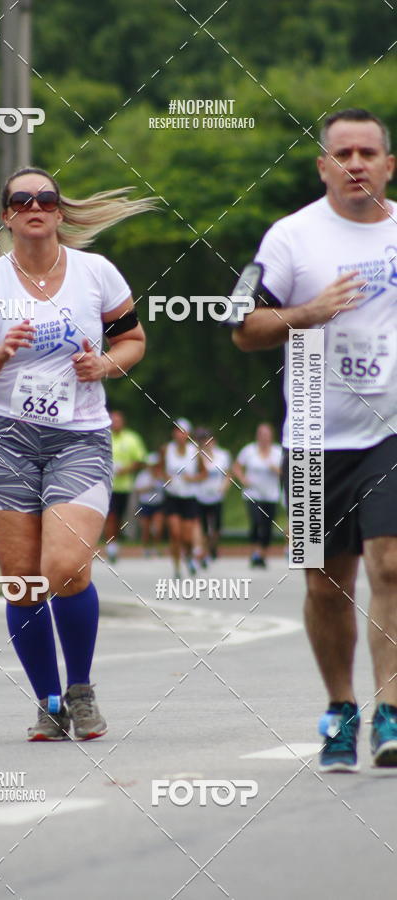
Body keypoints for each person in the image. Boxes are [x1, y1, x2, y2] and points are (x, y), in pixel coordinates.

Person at [0, 166, 150, 741]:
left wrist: (105, 364)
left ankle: (81, 689)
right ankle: (48, 700)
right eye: (22, 199)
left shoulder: (97, 274)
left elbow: (132, 340)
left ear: (60, 212)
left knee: (64, 568)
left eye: (46, 198)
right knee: (22, 583)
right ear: (8, 215)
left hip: (79, 437)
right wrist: (1, 353)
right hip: (6, 439)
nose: (35, 206)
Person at [232, 108, 397, 770]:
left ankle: (389, 711)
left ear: (389, 164)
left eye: (369, 152)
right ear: (323, 166)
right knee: (327, 584)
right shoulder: (289, 238)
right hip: (311, 436)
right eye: (343, 153)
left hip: (391, 431)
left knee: (390, 564)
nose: (356, 163)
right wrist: (307, 313)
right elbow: (241, 324)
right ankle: (340, 708)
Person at [233, 423, 282, 568]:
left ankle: (263, 554)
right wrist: (242, 479)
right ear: (257, 436)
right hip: (252, 493)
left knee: (267, 525)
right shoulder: (249, 451)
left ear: (271, 436)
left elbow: (288, 471)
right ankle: (255, 552)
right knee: (256, 522)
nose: (264, 438)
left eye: (267, 435)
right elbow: (236, 467)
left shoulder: (277, 452)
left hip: (271, 495)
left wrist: (276, 470)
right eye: (262, 435)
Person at [162, 419, 206, 578]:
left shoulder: (194, 451)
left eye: (182, 431)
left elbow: (204, 473)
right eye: (176, 431)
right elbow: (158, 469)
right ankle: (176, 568)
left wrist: (193, 479)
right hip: (172, 497)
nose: (179, 434)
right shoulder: (166, 449)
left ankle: (188, 557)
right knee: (175, 533)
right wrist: (165, 477)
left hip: (189, 498)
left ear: (187, 434)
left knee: (187, 537)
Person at [104, 409, 146, 563]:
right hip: (106, 485)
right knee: (111, 515)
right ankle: (111, 545)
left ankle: (116, 540)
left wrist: (126, 469)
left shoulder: (132, 438)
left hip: (125, 486)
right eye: (112, 421)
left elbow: (140, 460)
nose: (115, 424)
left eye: (118, 421)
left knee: (120, 517)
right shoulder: (103, 436)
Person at [192, 427, 232, 562]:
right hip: (200, 496)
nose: (205, 443)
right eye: (202, 440)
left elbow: (228, 475)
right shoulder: (195, 457)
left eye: (207, 440)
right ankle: (202, 551)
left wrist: (223, 488)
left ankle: (212, 548)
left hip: (216, 497)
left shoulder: (223, 455)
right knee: (201, 527)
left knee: (216, 528)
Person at [134, 451, 165, 557]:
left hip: (158, 504)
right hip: (145, 504)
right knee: (146, 529)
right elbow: (138, 490)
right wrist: (149, 486)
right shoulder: (142, 475)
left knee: (157, 528)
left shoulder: (161, 475)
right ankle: (146, 548)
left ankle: (156, 547)